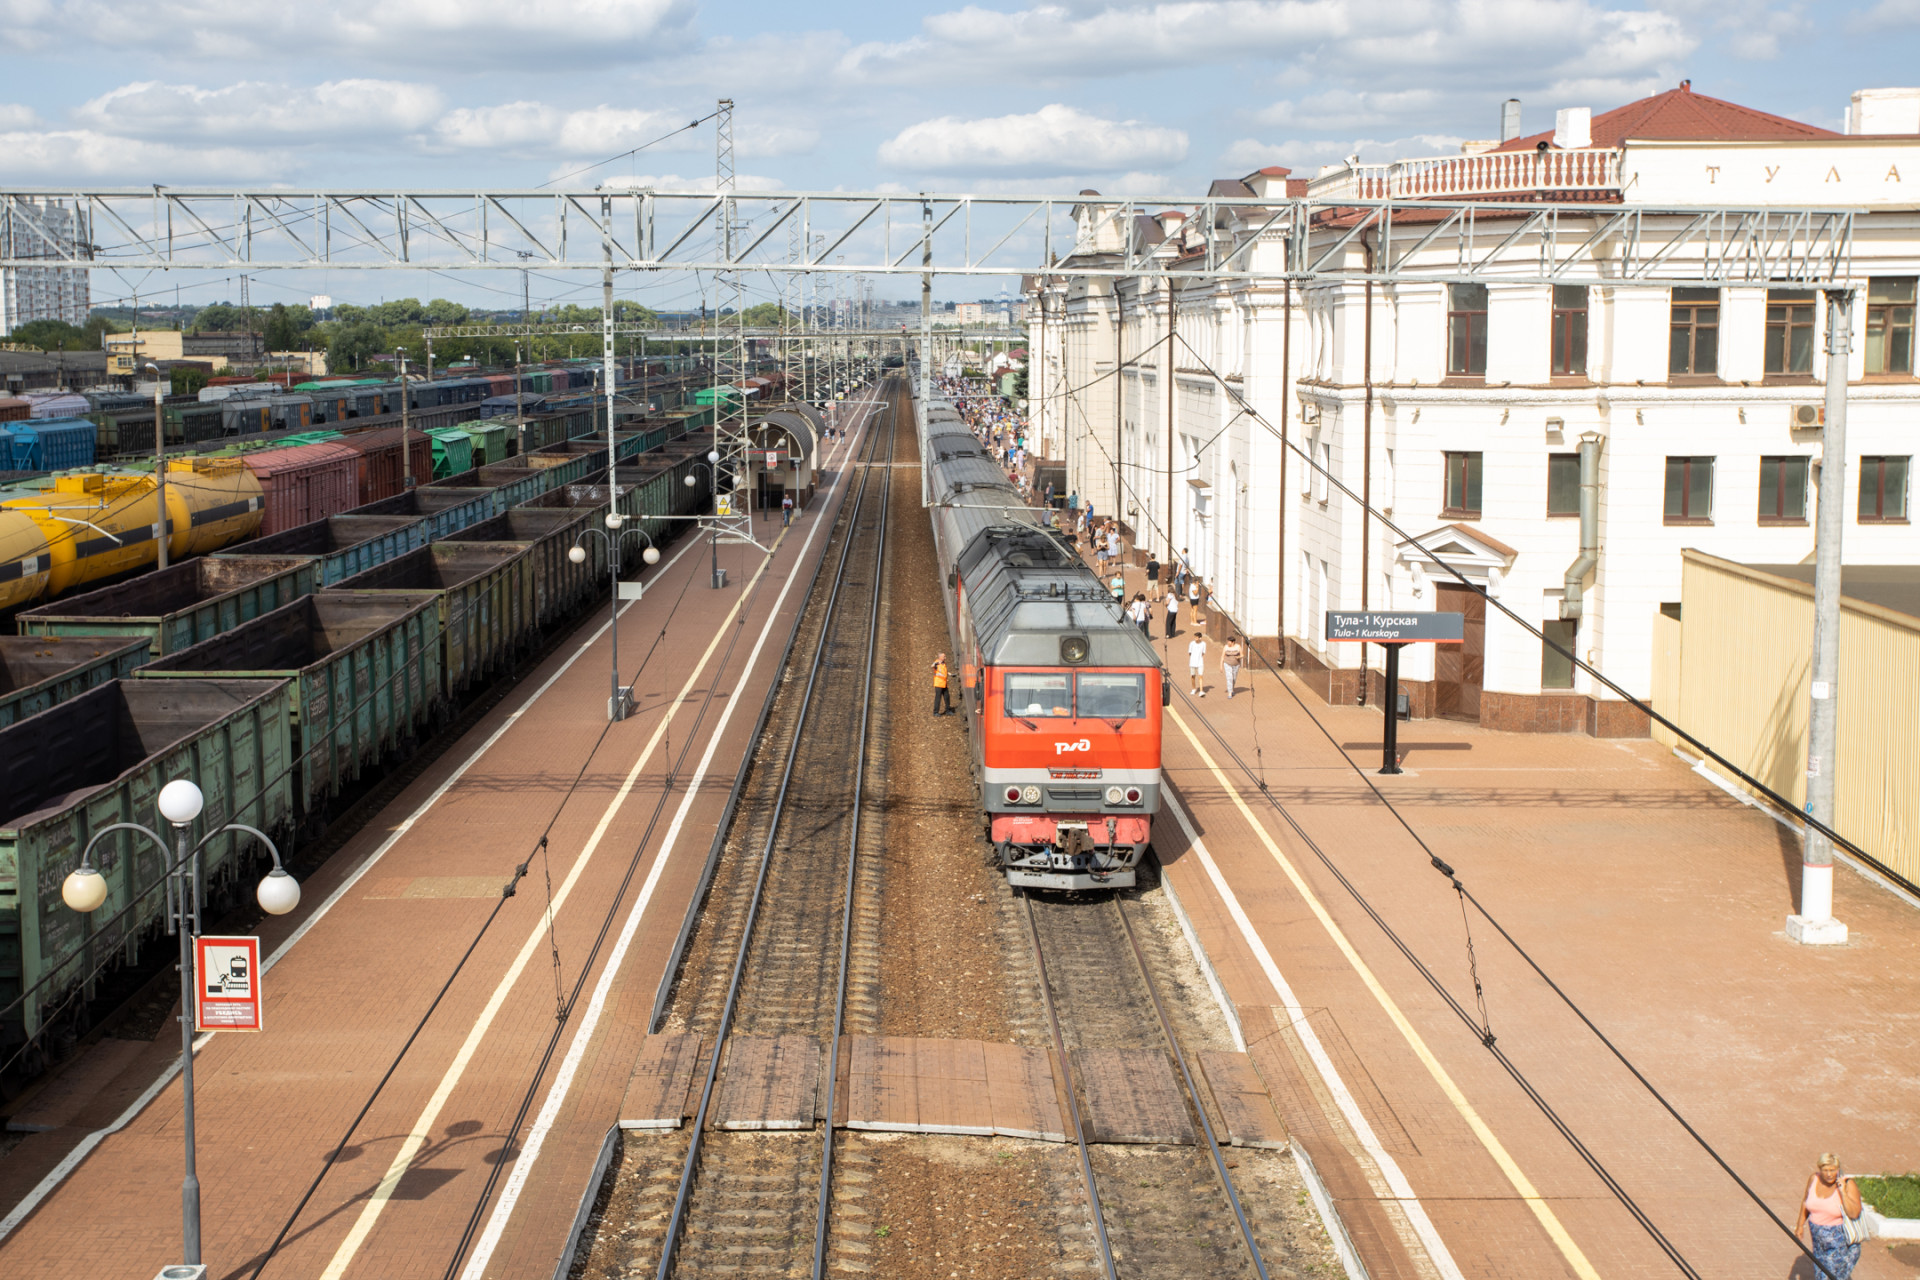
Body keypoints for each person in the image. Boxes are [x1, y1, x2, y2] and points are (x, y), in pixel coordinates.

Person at [1796, 1154, 1864, 1279]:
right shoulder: (1814, 1179)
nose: (1829, 1174)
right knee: (1820, 1273)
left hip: (1840, 1243)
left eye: (1832, 1170)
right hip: (1818, 1243)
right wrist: (1800, 1225)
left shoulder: (1848, 1184)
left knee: (1828, 1277)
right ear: (1820, 1169)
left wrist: (1843, 1192)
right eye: (1825, 1170)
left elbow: (1854, 1213)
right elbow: (1806, 1202)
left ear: (1838, 1169)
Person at [1186, 632, 1208, 697]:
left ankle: (1201, 691)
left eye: (1196, 637)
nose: (1195, 639)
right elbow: (1189, 652)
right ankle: (1193, 688)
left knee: (1200, 676)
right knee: (1193, 676)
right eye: (1195, 637)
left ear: (1200, 638)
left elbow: (1203, 652)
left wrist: (1199, 657)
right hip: (1192, 662)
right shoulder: (1191, 644)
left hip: (1200, 662)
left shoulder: (1203, 644)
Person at [931, 653, 952, 717]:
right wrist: (935, 663)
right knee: (938, 698)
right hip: (938, 683)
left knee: (947, 697)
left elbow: (943, 672)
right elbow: (932, 666)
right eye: (944, 656)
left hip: (944, 683)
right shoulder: (937, 662)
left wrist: (950, 674)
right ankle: (935, 712)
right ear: (940, 657)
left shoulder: (943, 663)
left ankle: (948, 710)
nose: (945, 657)